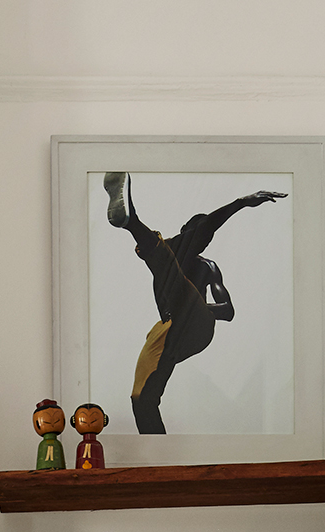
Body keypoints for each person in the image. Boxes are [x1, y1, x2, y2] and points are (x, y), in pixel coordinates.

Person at [103, 172, 287, 434]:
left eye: (207, 235)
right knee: (141, 399)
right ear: (186, 231)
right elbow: (200, 229)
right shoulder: (166, 249)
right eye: (198, 231)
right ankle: (157, 450)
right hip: (168, 329)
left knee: (166, 265)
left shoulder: (206, 267)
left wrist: (240, 203)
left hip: (198, 327)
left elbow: (228, 311)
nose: (204, 237)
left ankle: (131, 221)